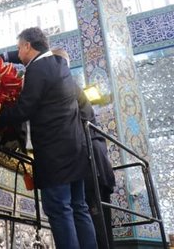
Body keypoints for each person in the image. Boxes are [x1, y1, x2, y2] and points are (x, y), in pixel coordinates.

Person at [0, 27, 97, 249]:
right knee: (79, 207)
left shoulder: (38, 69)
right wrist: (1, 57)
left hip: (55, 154)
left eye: (20, 47)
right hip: (76, 151)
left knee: (59, 209)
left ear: (28, 46)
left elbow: (25, 109)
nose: (18, 53)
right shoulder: (58, 65)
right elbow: (18, 59)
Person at [52, 48, 116, 249]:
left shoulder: (64, 86)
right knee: (93, 220)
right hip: (92, 162)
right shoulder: (72, 86)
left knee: (94, 221)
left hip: (89, 164)